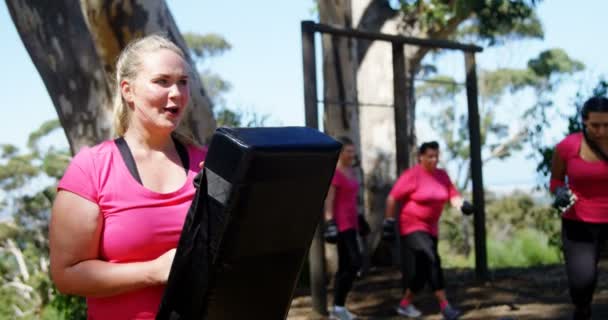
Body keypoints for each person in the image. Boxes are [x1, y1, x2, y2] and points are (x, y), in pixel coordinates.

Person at [49, 34, 207, 319]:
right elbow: (66, 274)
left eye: (183, 82)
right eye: (162, 81)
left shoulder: (209, 163)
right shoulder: (92, 168)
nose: (177, 93)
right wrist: (153, 272)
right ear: (128, 90)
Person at [383, 141, 473, 320]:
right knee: (432, 259)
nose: (434, 160)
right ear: (421, 157)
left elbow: (452, 195)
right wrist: (389, 222)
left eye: (436, 156)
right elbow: (392, 198)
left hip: (431, 228)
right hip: (411, 226)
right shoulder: (413, 175)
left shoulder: (442, 175)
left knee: (423, 269)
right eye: (430, 156)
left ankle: (404, 305)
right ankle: (445, 306)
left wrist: (462, 206)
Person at [550, 96, 608, 320]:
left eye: (606, 125)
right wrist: (560, 193)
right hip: (579, 223)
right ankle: (582, 310)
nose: (601, 131)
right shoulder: (568, 146)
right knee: (582, 283)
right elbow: (555, 181)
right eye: (595, 125)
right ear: (584, 121)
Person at [323, 136, 370, 320]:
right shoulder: (335, 174)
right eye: (348, 151)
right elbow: (329, 201)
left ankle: (338, 308)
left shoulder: (352, 171)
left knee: (346, 266)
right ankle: (338, 307)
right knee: (353, 263)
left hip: (353, 222)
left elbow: (352, 199)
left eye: (353, 151)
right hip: (341, 225)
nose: (352, 154)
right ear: (340, 153)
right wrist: (329, 223)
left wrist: (360, 219)